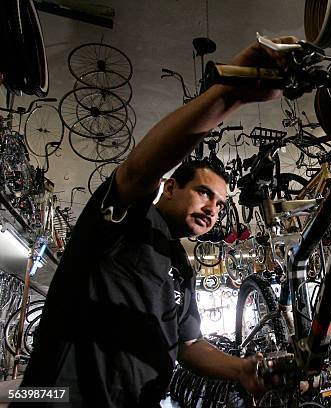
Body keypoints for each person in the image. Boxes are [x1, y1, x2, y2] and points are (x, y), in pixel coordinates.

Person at [17, 35, 297, 407]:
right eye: (203, 193)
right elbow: (138, 170)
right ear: (167, 188)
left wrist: (240, 369)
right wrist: (229, 94)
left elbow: (188, 344)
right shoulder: (125, 222)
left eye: (220, 203)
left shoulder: (180, 267)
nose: (213, 209)